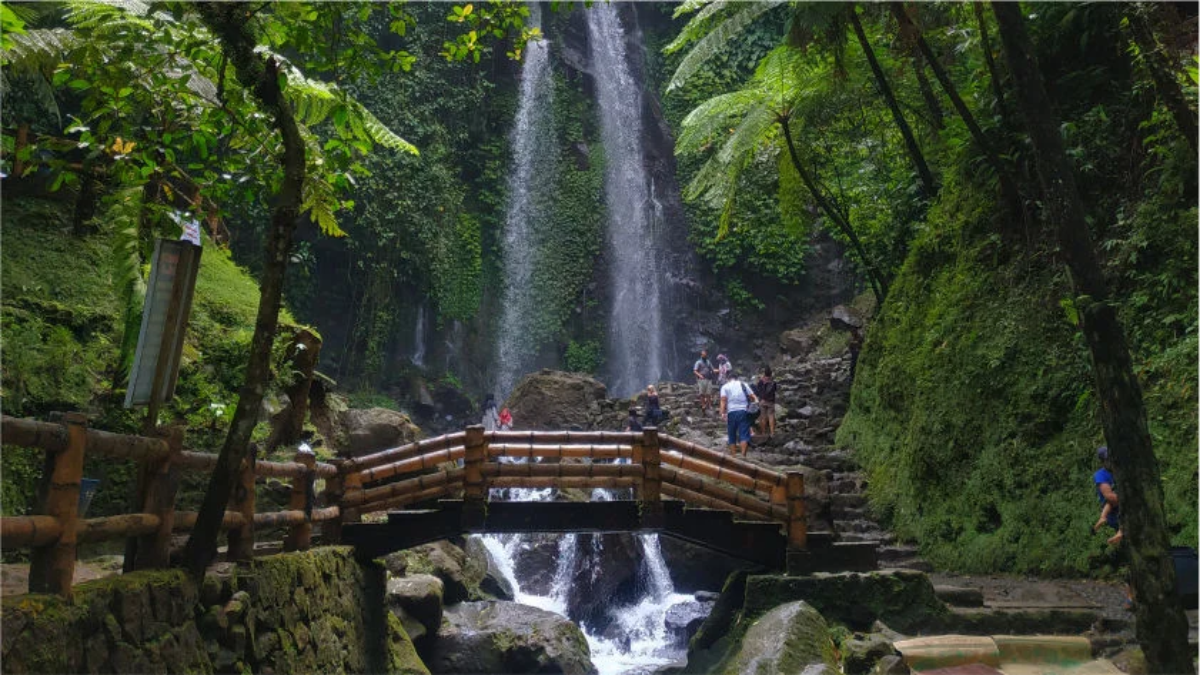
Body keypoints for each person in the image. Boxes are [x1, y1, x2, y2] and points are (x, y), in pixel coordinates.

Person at [719, 368, 757, 457]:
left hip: (731, 412)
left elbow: (723, 400)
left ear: (728, 378)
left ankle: (733, 456)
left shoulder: (725, 386)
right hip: (743, 411)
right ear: (737, 378)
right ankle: (743, 456)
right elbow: (753, 397)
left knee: (732, 434)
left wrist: (722, 413)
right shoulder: (743, 384)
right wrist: (754, 406)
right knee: (744, 434)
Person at [1093, 446, 1123, 546]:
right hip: (1115, 511)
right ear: (1103, 461)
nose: (1111, 460)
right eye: (1108, 459)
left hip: (1116, 502)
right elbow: (1110, 497)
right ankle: (1120, 532)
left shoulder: (1119, 469)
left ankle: (1104, 518)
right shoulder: (1100, 475)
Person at [754, 367, 778, 437]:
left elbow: (757, 390)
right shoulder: (773, 382)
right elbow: (775, 391)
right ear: (771, 374)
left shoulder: (761, 381)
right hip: (770, 402)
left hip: (762, 401)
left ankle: (763, 432)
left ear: (764, 373)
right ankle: (772, 432)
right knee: (771, 416)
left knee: (763, 417)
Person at [693, 349, 716, 416]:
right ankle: (703, 405)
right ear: (701, 355)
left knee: (708, 393)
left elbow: (713, 369)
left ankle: (709, 405)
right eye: (703, 354)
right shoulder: (698, 362)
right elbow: (695, 370)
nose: (705, 355)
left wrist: (721, 370)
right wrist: (700, 375)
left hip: (709, 379)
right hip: (701, 379)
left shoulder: (708, 362)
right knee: (702, 393)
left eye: (705, 354)